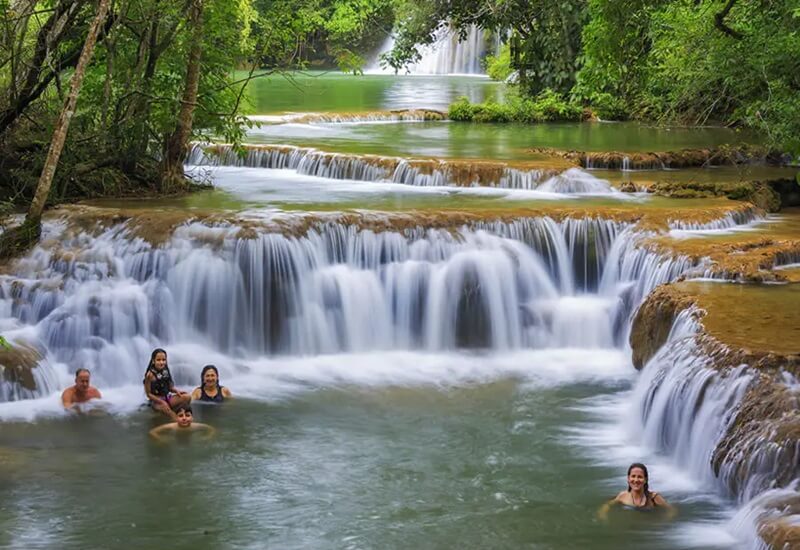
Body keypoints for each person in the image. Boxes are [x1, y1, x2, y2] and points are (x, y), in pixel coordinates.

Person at [598, 463, 674, 519]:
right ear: (628, 478)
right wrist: (603, 516)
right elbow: (607, 505)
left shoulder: (654, 498)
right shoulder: (623, 496)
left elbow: (671, 510)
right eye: (633, 476)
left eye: (640, 477)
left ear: (645, 480)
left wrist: (665, 521)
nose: (636, 480)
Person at [143, 348, 190, 418]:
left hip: (167, 397)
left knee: (187, 397)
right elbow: (148, 394)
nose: (161, 362)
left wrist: (177, 391)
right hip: (156, 401)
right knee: (168, 410)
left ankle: (180, 413)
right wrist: (162, 402)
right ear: (153, 361)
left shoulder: (165, 370)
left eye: (163, 360)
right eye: (158, 360)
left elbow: (170, 387)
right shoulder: (150, 375)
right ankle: (177, 420)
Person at [149, 406, 215, 442]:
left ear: (192, 418)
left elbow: (212, 429)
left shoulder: (195, 426)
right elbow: (152, 432)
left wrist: (207, 437)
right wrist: (161, 438)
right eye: (180, 416)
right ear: (176, 418)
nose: (184, 418)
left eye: (187, 415)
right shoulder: (172, 427)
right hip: (175, 441)